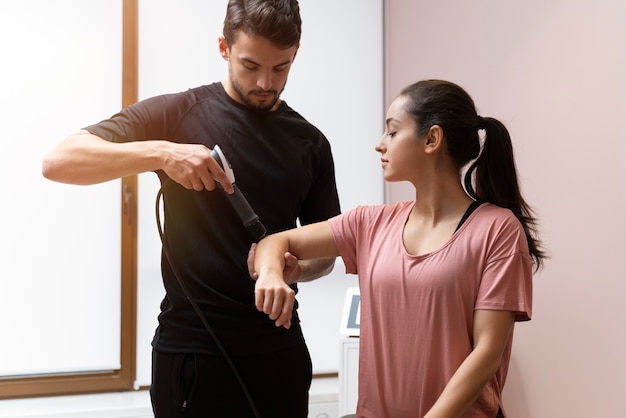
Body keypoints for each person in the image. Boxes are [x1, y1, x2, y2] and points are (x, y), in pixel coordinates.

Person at [42, 1, 340, 416]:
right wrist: (163, 154)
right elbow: (59, 161)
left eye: (280, 68)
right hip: (192, 354)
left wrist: (299, 269)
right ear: (223, 47)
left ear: (295, 54)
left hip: (280, 350)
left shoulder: (311, 144)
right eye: (250, 65)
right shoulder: (176, 114)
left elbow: (327, 252)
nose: (265, 82)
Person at [252, 79, 547, 418]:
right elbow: (275, 242)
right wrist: (273, 275)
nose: (380, 145)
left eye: (392, 132)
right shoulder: (369, 223)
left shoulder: (497, 229)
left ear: (431, 139)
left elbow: (487, 352)